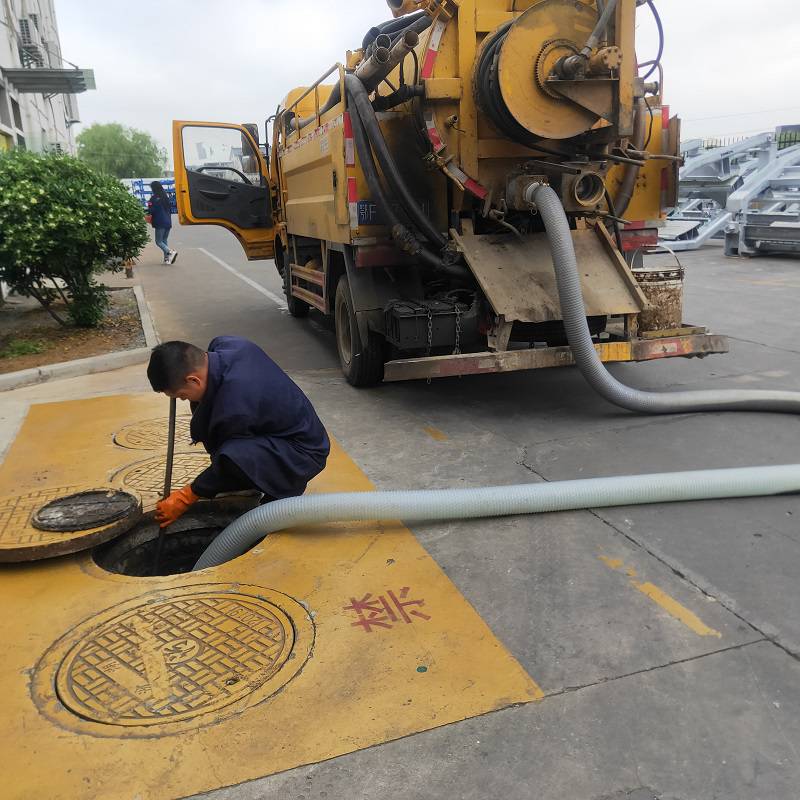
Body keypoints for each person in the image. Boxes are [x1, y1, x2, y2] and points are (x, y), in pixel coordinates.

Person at [147, 337, 330, 528]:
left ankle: (275, 484)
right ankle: (248, 482)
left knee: (233, 455)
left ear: (193, 379)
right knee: (213, 419)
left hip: (303, 453)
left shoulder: (233, 407)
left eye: (182, 396)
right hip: (290, 429)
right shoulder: (226, 345)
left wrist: (188, 495)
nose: (183, 400)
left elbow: (228, 461)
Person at [147, 181, 178, 265]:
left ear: (153, 188)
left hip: (160, 222)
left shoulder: (153, 199)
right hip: (168, 222)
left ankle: (170, 252)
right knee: (164, 240)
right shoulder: (165, 197)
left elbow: (151, 211)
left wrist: (147, 210)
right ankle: (167, 260)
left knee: (158, 241)